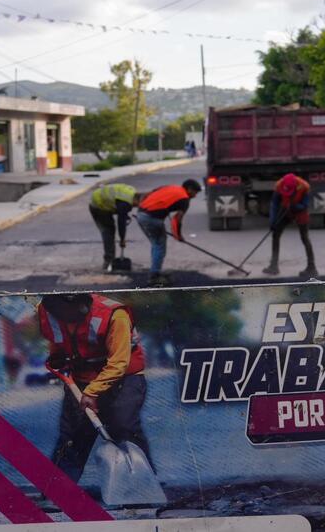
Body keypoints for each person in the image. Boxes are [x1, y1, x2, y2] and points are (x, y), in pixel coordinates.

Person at [39, 293, 152, 483]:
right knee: (72, 434)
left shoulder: (115, 315)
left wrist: (92, 392)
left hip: (123, 377)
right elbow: (56, 338)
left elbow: (118, 363)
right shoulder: (47, 309)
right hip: (79, 378)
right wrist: (57, 357)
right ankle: (59, 488)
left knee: (123, 426)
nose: (65, 317)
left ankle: (142, 483)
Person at [136, 179, 201, 286]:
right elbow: (177, 219)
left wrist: (142, 208)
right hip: (153, 218)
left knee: (155, 243)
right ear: (189, 189)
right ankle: (154, 276)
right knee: (160, 245)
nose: (195, 196)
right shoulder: (184, 199)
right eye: (195, 192)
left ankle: (155, 270)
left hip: (141, 214)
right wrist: (179, 236)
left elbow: (148, 194)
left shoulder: (170, 187)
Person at [263, 173, 318, 277]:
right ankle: (273, 266)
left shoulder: (304, 186)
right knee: (275, 235)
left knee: (305, 238)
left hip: (300, 211)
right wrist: (272, 222)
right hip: (286, 210)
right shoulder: (279, 185)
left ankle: (312, 267)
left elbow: (305, 205)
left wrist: (296, 206)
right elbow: (274, 205)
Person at [89, 183, 137, 270]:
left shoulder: (131, 193)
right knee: (108, 231)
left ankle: (111, 260)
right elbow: (121, 223)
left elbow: (120, 207)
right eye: (136, 206)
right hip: (98, 205)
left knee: (110, 229)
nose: (135, 207)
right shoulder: (125, 203)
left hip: (103, 199)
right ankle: (108, 262)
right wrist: (122, 239)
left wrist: (124, 213)